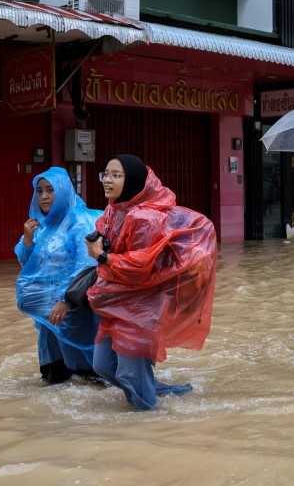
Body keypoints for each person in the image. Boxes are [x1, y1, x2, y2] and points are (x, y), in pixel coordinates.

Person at [65, 155, 217, 410]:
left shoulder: (145, 217)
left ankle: (149, 423)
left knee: (128, 373)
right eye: (106, 174)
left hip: (141, 307)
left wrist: (102, 256)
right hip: (116, 301)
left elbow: (140, 267)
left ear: (132, 180)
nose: (108, 180)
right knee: (103, 366)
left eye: (116, 175)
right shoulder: (115, 208)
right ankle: (160, 392)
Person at [15, 167, 103, 384]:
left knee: (88, 380)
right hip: (47, 315)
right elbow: (30, 267)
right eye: (39, 191)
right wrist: (27, 241)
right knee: (54, 380)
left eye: (50, 190)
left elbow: (86, 266)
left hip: (73, 309)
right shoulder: (42, 226)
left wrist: (66, 300)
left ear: (63, 191)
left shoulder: (79, 222)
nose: (44, 196)